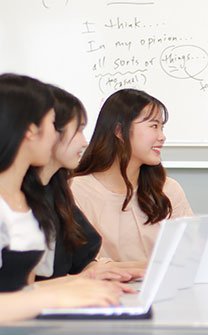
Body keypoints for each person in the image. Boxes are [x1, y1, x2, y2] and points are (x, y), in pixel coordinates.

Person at [0, 73, 120, 314]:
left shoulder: (24, 202)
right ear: (30, 130)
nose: (57, 136)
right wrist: (56, 296)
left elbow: (24, 288)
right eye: (53, 124)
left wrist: (77, 285)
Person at [33, 85, 143, 280]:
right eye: (78, 130)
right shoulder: (15, 198)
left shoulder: (56, 190)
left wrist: (151, 267)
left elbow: (84, 261)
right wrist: (81, 280)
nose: (84, 142)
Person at [72, 89, 193, 262]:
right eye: (154, 126)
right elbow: (84, 264)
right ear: (119, 131)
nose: (162, 137)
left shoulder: (168, 189)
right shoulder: (77, 190)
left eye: (162, 127)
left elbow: (189, 253)